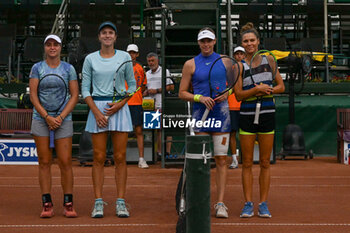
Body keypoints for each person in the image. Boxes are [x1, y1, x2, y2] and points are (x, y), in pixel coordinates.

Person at [81, 21, 136, 218]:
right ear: (99, 37)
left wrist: (120, 104)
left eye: (110, 32)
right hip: (97, 109)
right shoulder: (90, 59)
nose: (107, 35)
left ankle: (121, 202)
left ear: (115, 36)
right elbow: (85, 88)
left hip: (119, 109)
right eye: (103, 32)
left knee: (120, 158)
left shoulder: (124, 57)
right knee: (98, 158)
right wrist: (96, 111)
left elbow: (132, 85)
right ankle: (98, 203)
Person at [179, 27, 231, 218]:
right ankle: (197, 201)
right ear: (199, 43)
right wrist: (199, 98)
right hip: (201, 115)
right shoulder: (190, 64)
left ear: (214, 41)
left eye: (209, 41)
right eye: (203, 41)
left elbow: (234, 86)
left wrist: (228, 93)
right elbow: (182, 92)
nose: (206, 44)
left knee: (221, 159)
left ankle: (220, 204)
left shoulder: (225, 61)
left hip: (221, 115)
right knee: (200, 160)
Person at [234, 22, 285, 218]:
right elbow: (238, 95)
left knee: (265, 162)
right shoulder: (239, 66)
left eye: (252, 40)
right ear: (242, 43)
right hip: (246, 115)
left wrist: (268, 89)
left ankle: (263, 203)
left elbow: (281, 86)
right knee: (246, 162)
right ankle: (248, 203)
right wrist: (256, 89)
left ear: (258, 41)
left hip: (267, 113)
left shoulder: (269, 61)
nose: (249, 44)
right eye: (245, 41)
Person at [29, 34, 79, 218]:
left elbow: (74, 95)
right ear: (45, 48)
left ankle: (68, 203)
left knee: (66, 161)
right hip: (40, 119)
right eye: (49, 45)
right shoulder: (37, 68)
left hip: (63, 119)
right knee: (44, 162)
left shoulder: (69, 69)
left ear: (60, 48)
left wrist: (60, 116)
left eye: (55, 45)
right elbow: (33, 95)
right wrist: (47, 117)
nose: (52, 48)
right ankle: (46, 203)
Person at [143, 52, 174, 159]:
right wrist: (146, 92)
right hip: (150, 106)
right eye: (149, 61)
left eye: (152, 61)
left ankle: (167, 153)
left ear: (157, 61)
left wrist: (156, 90)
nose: (151, 63)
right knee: (155, 130)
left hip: (163, 104)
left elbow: (171, 87)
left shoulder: (164, 71)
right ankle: (157, 153)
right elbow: (143, 89)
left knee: (166, 128)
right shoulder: (146, 74)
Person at [126, 44, 149, 169]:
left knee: (139, 131)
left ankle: (141, 159)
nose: (131, 55)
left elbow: (143, 86)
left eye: (133, 53)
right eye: (129, 52)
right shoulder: (122, 68)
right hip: (123, 104)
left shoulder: (140, 68)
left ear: (137, 54)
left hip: (136, 103)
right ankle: (120, 158)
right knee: (122, 132)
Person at [228, 46, 246, 169]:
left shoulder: (249, 69)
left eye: (241, 54)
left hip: (245, 105)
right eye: (237, 54)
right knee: (232, 134)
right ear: (234, 56)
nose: (239, 56)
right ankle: (234, 159)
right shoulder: (230, 70)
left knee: (246, 134)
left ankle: (246, 158)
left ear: (244, 55)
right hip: (232, 107)